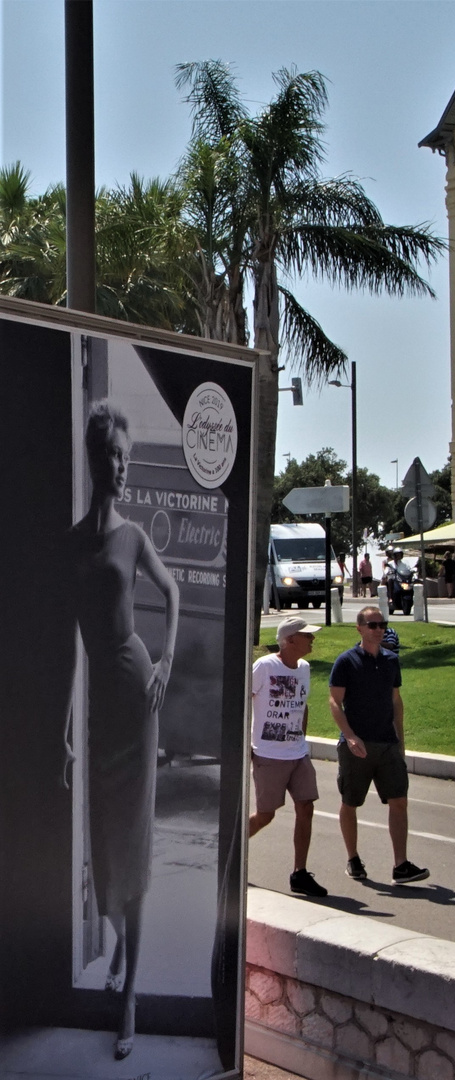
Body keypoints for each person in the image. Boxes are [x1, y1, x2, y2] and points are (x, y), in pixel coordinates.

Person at [64, 401, 179, 1060]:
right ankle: (113, 947)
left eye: (126, 456)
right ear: (92, 457)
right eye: (112, 454)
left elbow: (172, 594)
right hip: (98, 698)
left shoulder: (135, 536)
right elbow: (63, 645)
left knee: (130, 846)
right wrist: (63, 724)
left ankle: (129, 995)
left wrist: (163, 658)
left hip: (135, 690)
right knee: (102, 847)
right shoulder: (72, 542)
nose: (121, 464)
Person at [328, 606, 429, 885]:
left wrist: (401, 742)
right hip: (356, 746)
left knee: (399, 801)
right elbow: (335, 702)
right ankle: (353, 859)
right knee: (350, 802)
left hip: (387, 744)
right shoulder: (346, 661)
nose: (378, 629)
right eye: (372, 625)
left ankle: (401, 865)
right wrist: (349, 735)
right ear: (359, 628)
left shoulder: (390, 661)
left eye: (382, 624)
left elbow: (396, 701)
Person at [250, 616, 328, 898]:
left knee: (306, 806)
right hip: (268, 754)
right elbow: (244, 699)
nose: (312, 640)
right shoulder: (265, 666)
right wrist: (247, 745)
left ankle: (299, 873)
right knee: (265, 816)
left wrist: (302, 740)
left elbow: (302, 706)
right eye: (307, 636)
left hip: (297, 753)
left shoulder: (304, 668)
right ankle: (229, 854)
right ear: (290, 640)